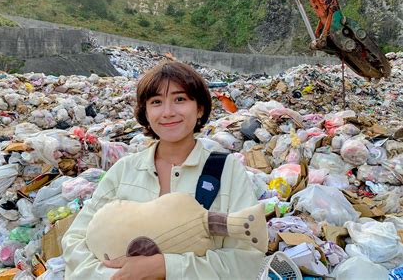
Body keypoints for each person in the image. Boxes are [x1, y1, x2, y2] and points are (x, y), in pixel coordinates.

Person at [62, 61, 267, 279]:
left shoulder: (225, 170)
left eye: (180, 99)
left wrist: (166, 267)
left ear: (199, 108)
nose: (168, 112)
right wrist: (114, 276)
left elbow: (246, 259)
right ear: (146, 113)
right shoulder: (124, 170)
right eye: (156, 102)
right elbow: (76, 240)